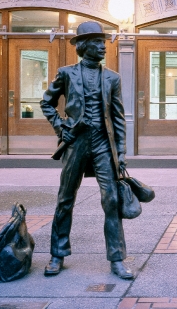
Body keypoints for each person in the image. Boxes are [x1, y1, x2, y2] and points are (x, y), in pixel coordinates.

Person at [40, 20, 133, 279]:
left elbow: (118, 118)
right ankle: (57, 254)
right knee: (65, 198)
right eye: (95, 42)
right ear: (83, 46)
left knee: (112, 200)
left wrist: (121, 152)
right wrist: (61, 127)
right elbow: (46, 103)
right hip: (76, 142)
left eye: (102, 42)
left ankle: (116, 258)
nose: (102, 46)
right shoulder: (67, 73)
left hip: (104, 144)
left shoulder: (112, 78)